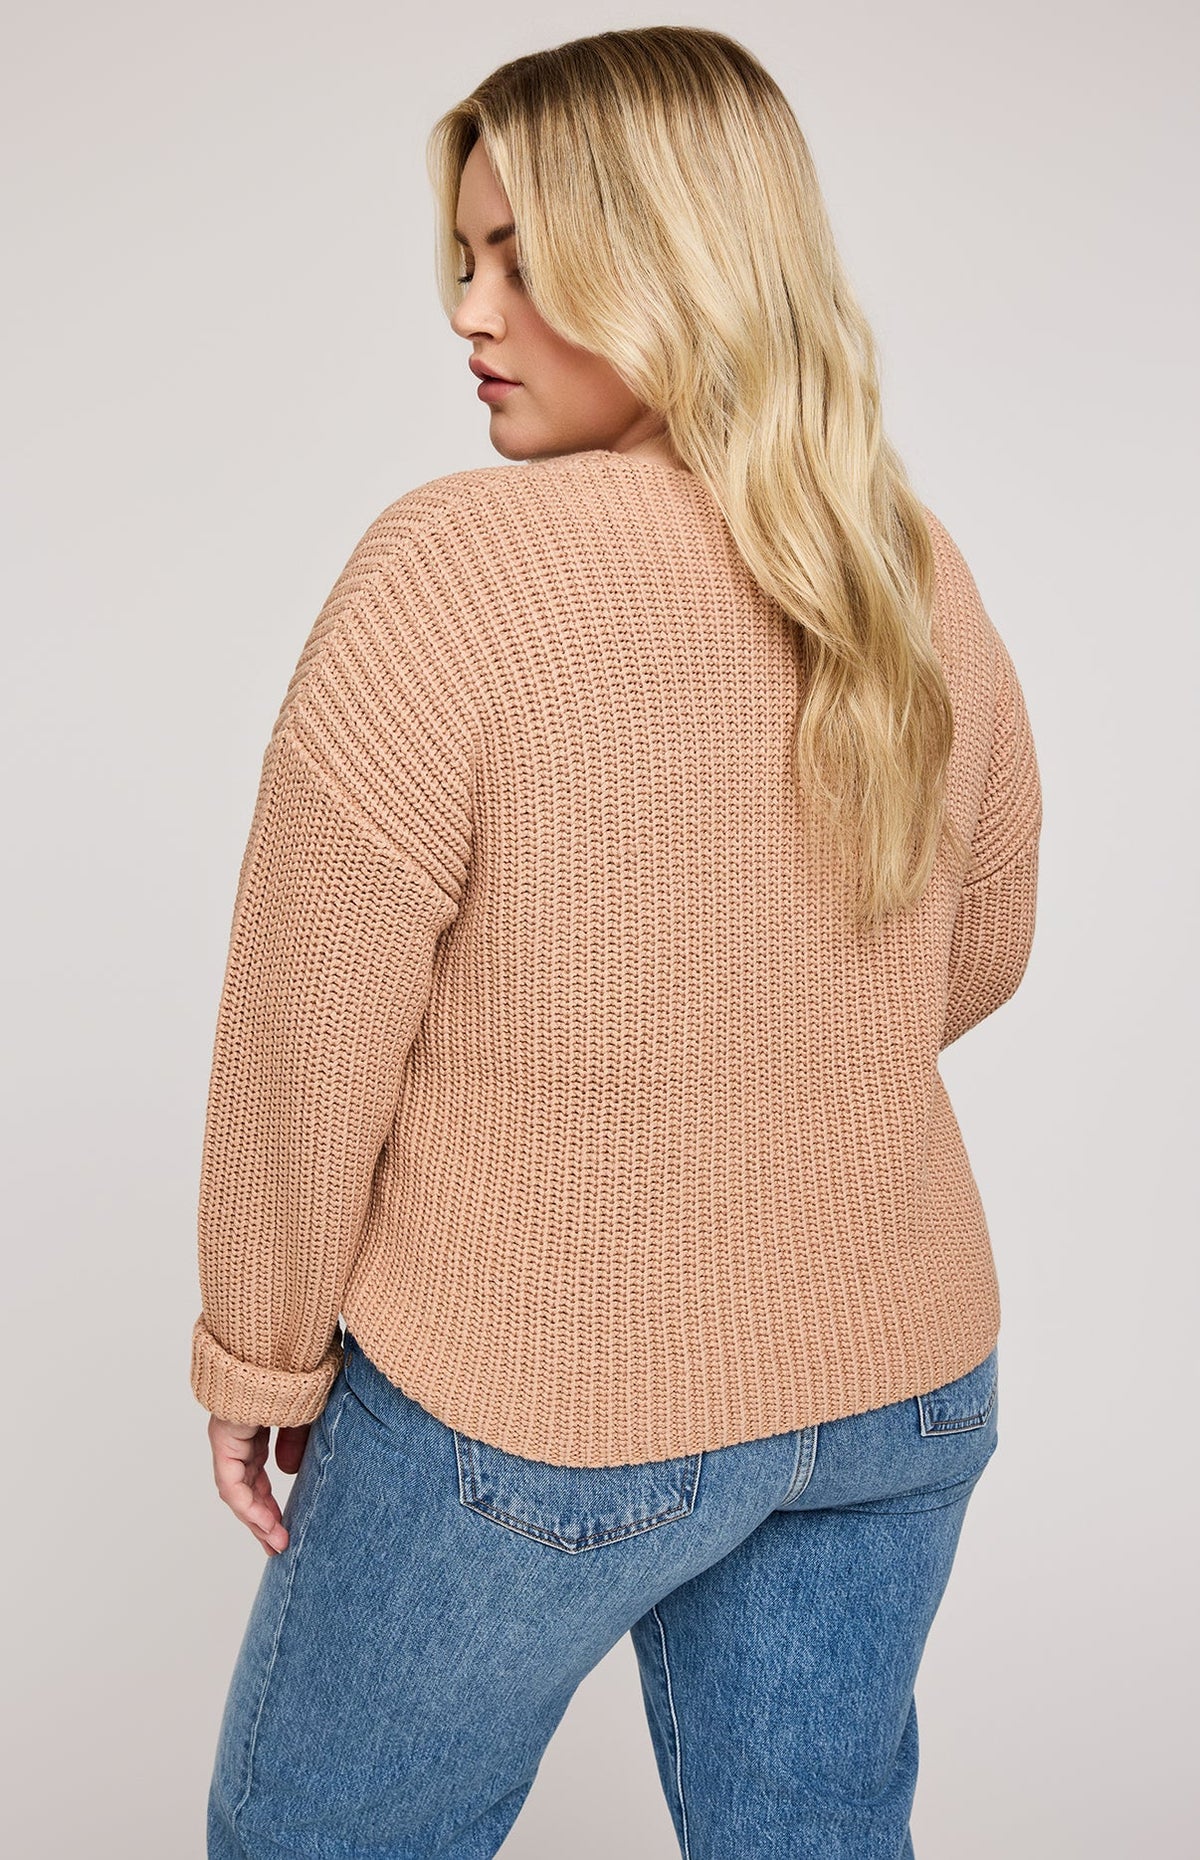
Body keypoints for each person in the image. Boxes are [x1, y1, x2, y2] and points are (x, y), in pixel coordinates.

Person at [191, 25, 1042, 1860]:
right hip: (897, 1383)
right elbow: (981, 947)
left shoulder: (457, 569)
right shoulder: (905, 562)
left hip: (536, 1395)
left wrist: (259, 1358)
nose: (470, 311)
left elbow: (305, 1036)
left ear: (673, 263)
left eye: (522, 258)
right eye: (464, 257)